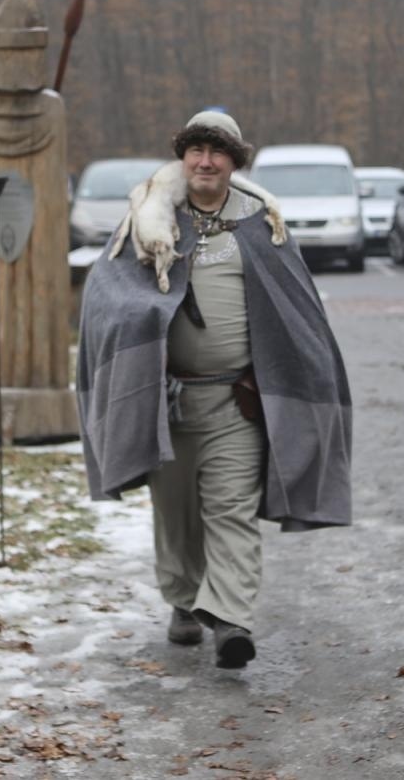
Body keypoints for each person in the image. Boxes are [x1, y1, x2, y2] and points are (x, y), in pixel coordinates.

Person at [76, 110, 354, 669]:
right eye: (196, 151)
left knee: (231, 509)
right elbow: (107, 299)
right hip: (166, 401)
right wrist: (137, 329)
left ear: (234, 161)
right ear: (184, 157)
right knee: (175, 514)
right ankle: (183, 601)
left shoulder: (261, 222)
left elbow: (298, 311)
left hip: (237, 402)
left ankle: (230, 618)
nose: (205, 162)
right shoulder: (148, 219)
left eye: (218, 152)